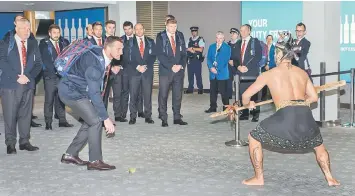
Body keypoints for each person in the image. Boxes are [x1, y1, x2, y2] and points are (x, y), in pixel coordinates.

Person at [240, 33, 339, 186]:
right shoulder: (302, 73)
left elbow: (245, 96)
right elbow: (313, 98)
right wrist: (300, 102)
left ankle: (258, 178)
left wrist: (248, 105)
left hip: (286, 116)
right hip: (305, 115)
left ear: (279, 54)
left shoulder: (268, 74)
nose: (274, 55)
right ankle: (330, 178)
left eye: (274, 53)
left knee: (253, 138)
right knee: (319, 146)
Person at [58, 36, 122, 170]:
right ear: (108, 48)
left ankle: (70, 154)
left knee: (90, 121)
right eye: (118, 49)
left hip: (78, 90)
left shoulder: (100, 53)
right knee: (96, 121)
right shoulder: (95, 65)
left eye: (122, 49)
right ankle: (95, 161)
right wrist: (106, 118)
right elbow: (94, 93)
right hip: (71, 92)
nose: (121, 52)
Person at [0, 18, 42, 154]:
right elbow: (2, 61)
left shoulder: (32, 43)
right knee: (10, 115)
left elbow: (38, 64)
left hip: (28, 85)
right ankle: (10, 144)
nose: (27, 31)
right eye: (24, 28)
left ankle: (24, 141)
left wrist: (28, 77)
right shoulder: (7, 42)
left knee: (25, 115)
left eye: (28, 28)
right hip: (11, 84)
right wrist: (16, 77)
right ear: (16, 29)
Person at [39, 24, 73, 130]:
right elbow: (45, 60)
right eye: (54, 32)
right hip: (50, 76)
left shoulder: (64, 43)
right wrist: (56, 70)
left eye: (58, 32)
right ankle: (48, 122)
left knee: (61, 99)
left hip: (62, 77)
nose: (56, 35)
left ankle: (62, 120)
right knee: (49, 100)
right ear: (49, 33)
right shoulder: (44, 44)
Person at [156, 18, 188, 127]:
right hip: (166, 71)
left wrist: (181, 65)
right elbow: (159, 54)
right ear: (166, 26)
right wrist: (171, 66)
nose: (173, 29)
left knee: (177, 95)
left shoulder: (180, 35)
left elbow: (184, 53)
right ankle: (164, 118)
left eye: (175, 26)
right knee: (163, 95)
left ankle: (177, 117)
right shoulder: (161, 36)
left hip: (179, 71)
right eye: (171, 26)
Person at [126, 23, 156, 124]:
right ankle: (133, 116)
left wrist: (145, 66)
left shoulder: (150, 41)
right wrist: (138, 66)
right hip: (134, 72)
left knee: (147, 95)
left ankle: (148, 116)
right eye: (136, 29)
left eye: (140, 29)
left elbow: (153, 56)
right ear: (134, 31)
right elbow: (126, 57)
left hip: (147, 72)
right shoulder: (129, 42)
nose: (139, 31)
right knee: (133, 95)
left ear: (144, 30)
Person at [234, 24, 262, 122]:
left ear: (249, 31)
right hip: (241, 73)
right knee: (242, 93)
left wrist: (247, 67)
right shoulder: (238, 43)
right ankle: (245, 113)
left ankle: (255, 114)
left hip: (252, 72)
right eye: (241, 31)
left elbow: (258, 56)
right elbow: (235, 58)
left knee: (254, 94)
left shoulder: (255, 42)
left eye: (245, 30)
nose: (243, 32)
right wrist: (238, 66)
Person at [204, 31, 231, 113]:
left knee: (224, 92)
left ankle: (226, 107)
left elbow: (225, 60)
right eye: (217, 38)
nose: (219, 40)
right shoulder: (212, 47)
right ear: (216, 38)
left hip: (222, 74)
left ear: (223, 39)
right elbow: (208, 58)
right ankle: (213, 107)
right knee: (212, 91)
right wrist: (211, 67)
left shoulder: (227, 47)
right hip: (212, 73)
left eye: (221, 38)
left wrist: (217, 69)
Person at [185, 26, 205, 94]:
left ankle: (200, 89)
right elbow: (185, 48)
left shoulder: (200, 39)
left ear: (197, 31)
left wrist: (192, 48)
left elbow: (201, 49)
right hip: (190, 60)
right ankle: (190, 89)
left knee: (198, 75)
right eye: (193, 31)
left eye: (195, 31)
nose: (194, 32)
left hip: (197, 60)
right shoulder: (189, 40)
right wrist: (189, 49)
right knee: (190, 75)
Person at [227, 28, 240, 99]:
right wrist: (229, 61)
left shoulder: (240, 43)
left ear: (237, 35)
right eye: (231, 33)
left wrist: (234, 62)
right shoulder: (228, 44)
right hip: (229, 65)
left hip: (238, 64)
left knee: (238, 80)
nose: (232, 35)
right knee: (229, 80)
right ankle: (229, 95)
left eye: (233, 33)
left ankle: (238, 95)